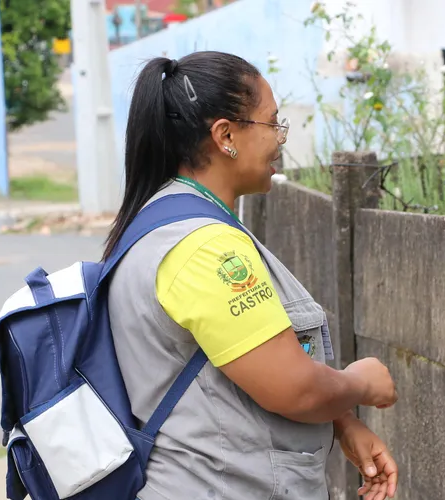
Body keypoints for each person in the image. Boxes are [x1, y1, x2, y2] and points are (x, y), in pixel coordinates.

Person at [104, 52, 399, 500]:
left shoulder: (168, 221)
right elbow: (294, 388)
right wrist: (361, 383)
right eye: (272, 124)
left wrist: (342, 422)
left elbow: (231, 363)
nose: (281, 140)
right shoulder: (205, 248)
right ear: (226, 135)